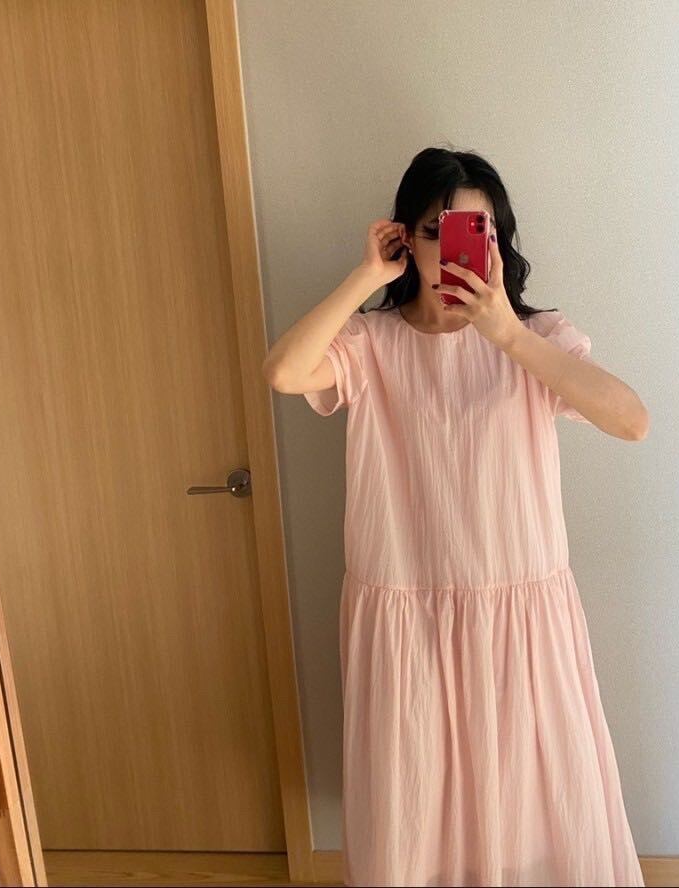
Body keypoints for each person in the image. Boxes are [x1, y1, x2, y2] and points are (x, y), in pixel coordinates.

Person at [263, 146, 648, 887]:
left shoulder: (536, 338)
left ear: (498, 241)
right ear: (405, 239)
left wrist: (507, 334)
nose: (456, 248)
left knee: (534, 803)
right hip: (407, 615)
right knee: (417, 810)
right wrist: (366, 278)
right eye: (436, 230)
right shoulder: (372, 344)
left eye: (478, 230)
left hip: (520, 615)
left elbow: (632, 422)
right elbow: (283, 372)